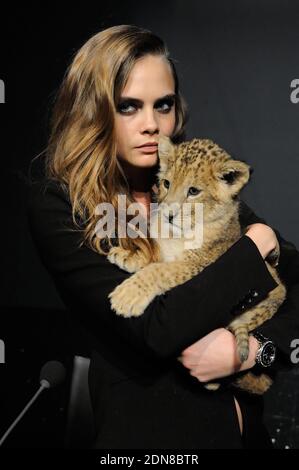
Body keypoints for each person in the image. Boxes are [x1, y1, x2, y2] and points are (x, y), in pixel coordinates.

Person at [27, 25, 299, 449]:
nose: (152, 125)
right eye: (128, 107)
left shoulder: (195, 179)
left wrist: (248, 352)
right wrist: (255, 244)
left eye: (164, 105)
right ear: (93, 110)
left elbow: (294, 283)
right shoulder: (63, 206)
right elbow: (156, 329)